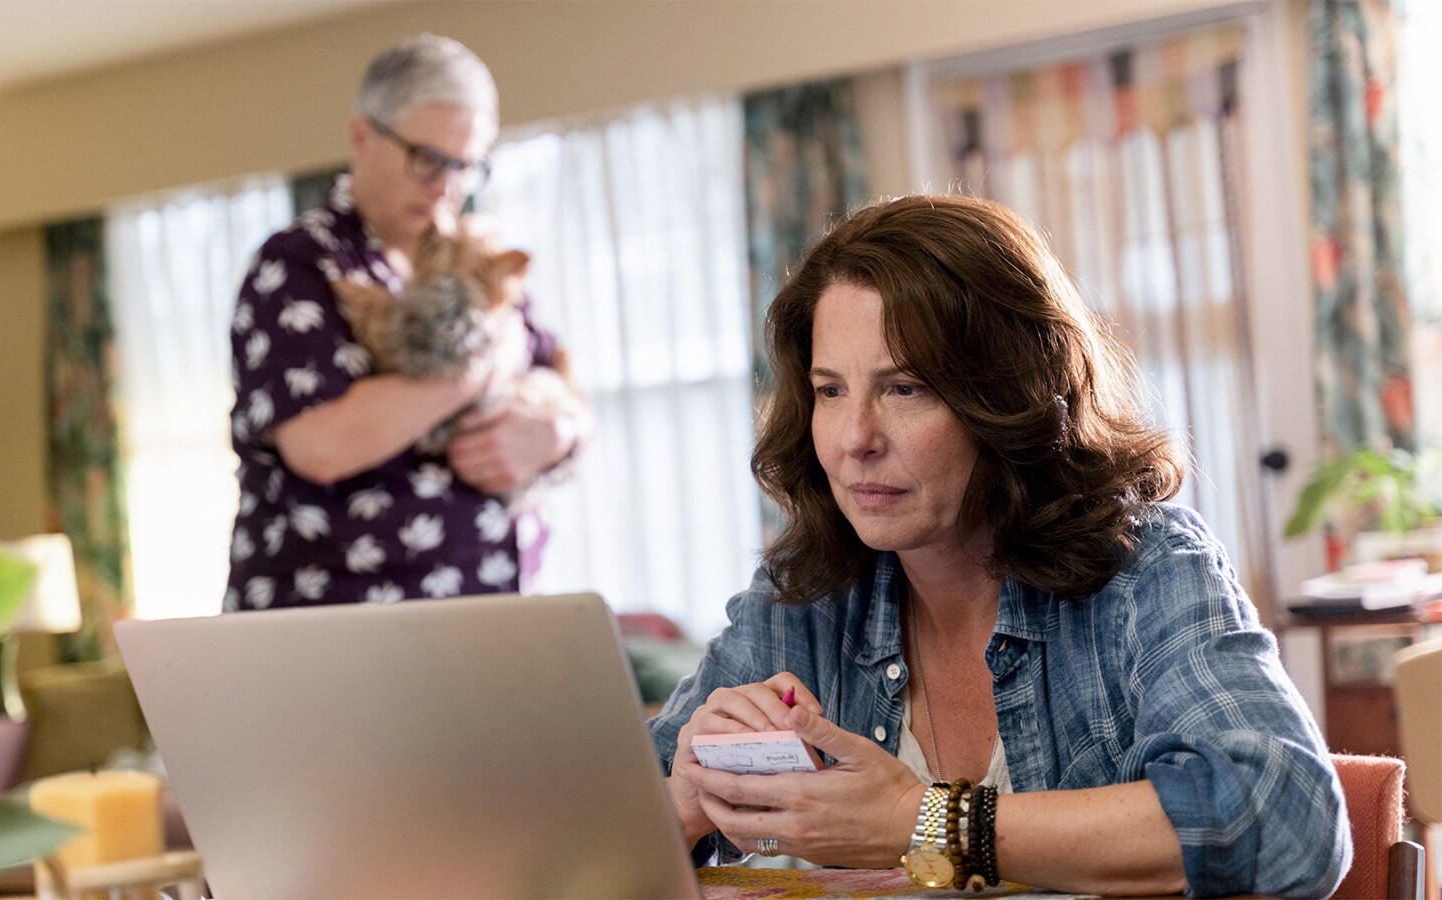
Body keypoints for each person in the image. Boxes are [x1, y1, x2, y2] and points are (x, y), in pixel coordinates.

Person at [649, 195, 1352, 897]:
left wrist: (922, 822)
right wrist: (682, 804)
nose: (855, 438)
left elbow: (1290, 824)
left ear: (1011, 398)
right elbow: (596, 827)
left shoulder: (1144, 568)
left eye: (905, 388)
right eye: (830, 391)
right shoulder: (805, 597)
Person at [224, 35, 587, 611]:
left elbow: (565, 387)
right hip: (340, 622)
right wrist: (480, 368)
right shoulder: (299, 263)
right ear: (362, 137)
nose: (446, 186)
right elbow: (321, 446)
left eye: (465, 165)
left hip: (491, 610)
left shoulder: (478, 258)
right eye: (427, 158)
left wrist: (557, 434)